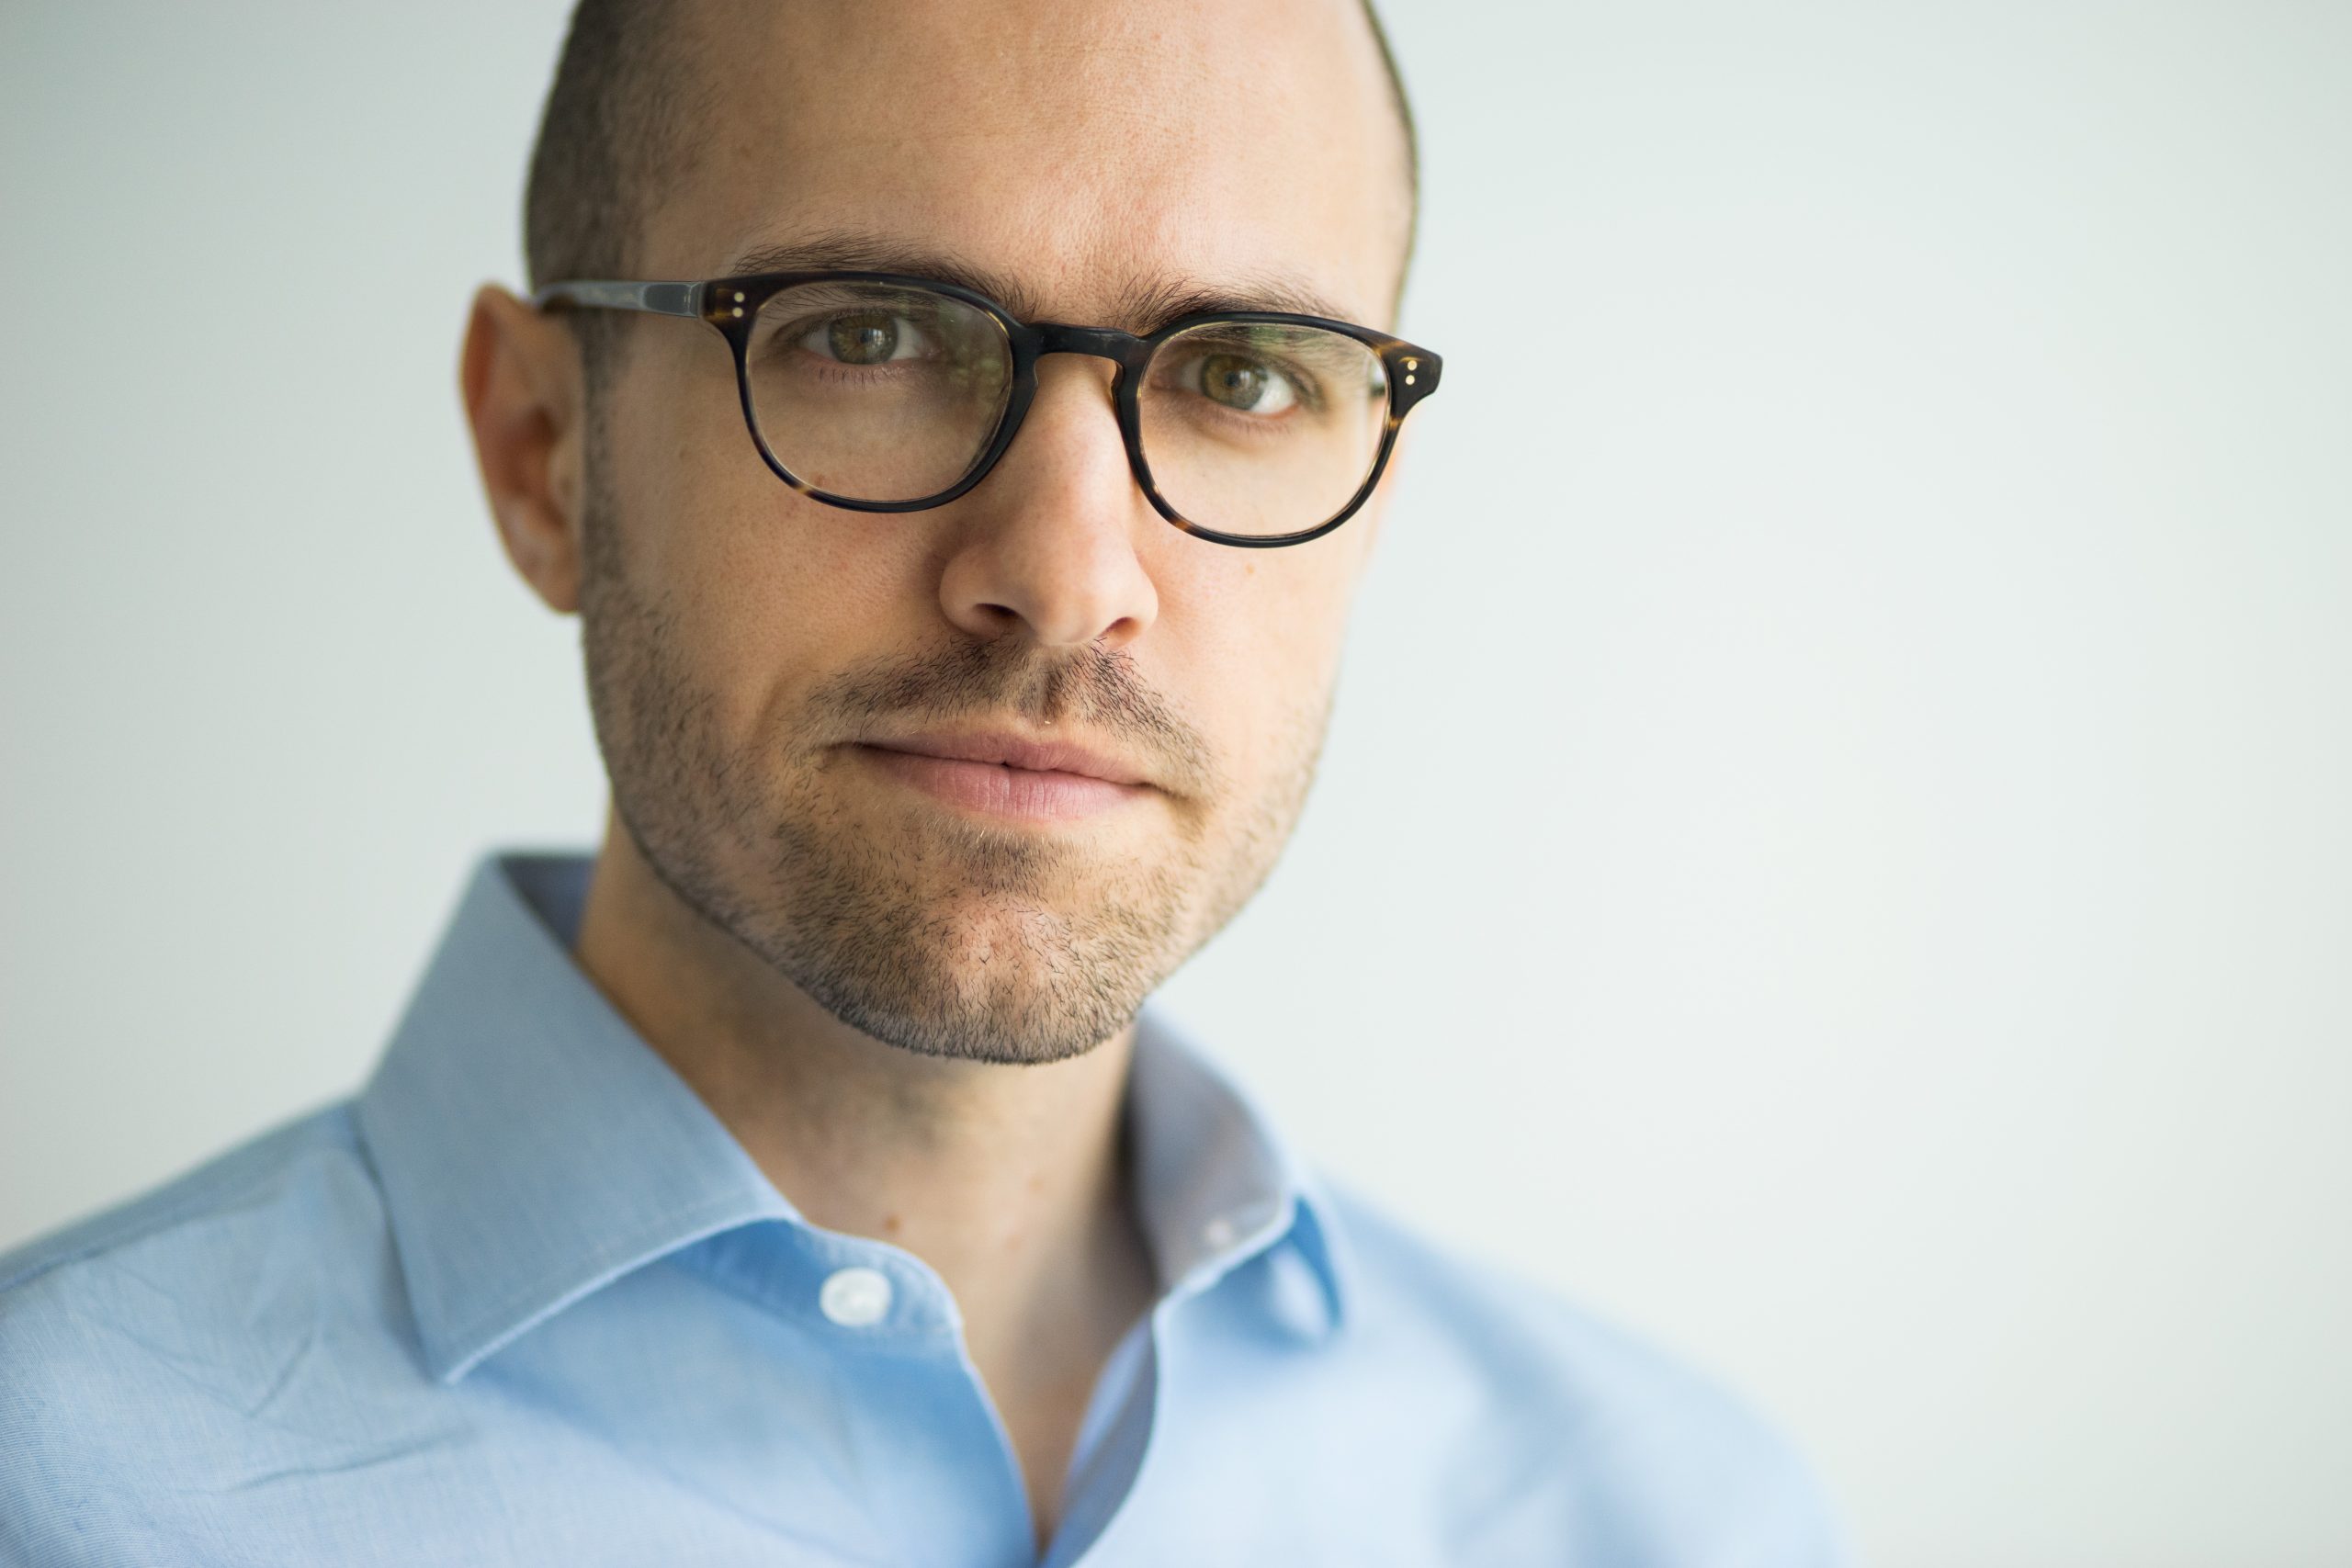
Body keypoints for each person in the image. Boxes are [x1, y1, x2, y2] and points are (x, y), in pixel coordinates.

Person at [0, 1, 1849, 1562]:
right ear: (542, 449)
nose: (1066, 571)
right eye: (867, 335)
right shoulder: (64, 1480)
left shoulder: (1669, 1513)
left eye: (1244, 375)